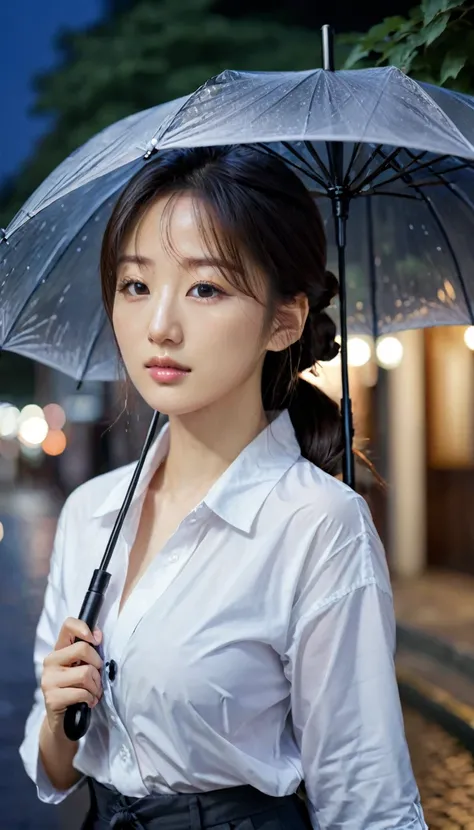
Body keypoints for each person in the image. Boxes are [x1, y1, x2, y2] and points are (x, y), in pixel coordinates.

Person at [20, 145, 427, 830]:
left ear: (284, 320)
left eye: (205, 288)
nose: (160, 326)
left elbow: (368, 800)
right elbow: (55, 771)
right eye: (136, 285)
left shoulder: (318, 524)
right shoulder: (92, 512)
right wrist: (61, 717)